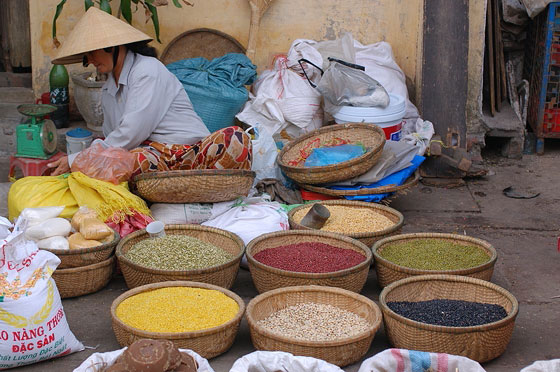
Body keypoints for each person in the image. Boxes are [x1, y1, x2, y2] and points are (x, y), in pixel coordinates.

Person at [48, 7, 251, 177]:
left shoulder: (147, 70)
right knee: (123, 161)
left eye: (91, 53)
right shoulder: (108, 89)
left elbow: (131, 133)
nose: (90, 61)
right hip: (150, 157)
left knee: (235, 137)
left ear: (113, 47)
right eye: (85, 57)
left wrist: (79, 159)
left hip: (189, 154)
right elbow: (114, 141)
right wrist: (87, 159)